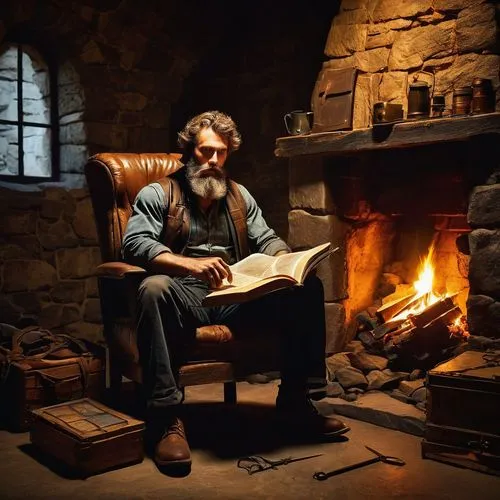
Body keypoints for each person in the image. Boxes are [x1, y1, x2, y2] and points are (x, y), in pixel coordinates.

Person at [122, 110, 350, 471]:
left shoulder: (239, 196)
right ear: (188, 150)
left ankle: (295, 403)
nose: (213, 161)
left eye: (221, 153)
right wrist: (189, 265)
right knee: (153, 288)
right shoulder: (158, 193)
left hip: (234, 299)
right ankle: (166, 419)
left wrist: (286, 262)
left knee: (306, 288)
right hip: (184, 297)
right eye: (205, 152)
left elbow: (268, 239)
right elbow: (134, 244)